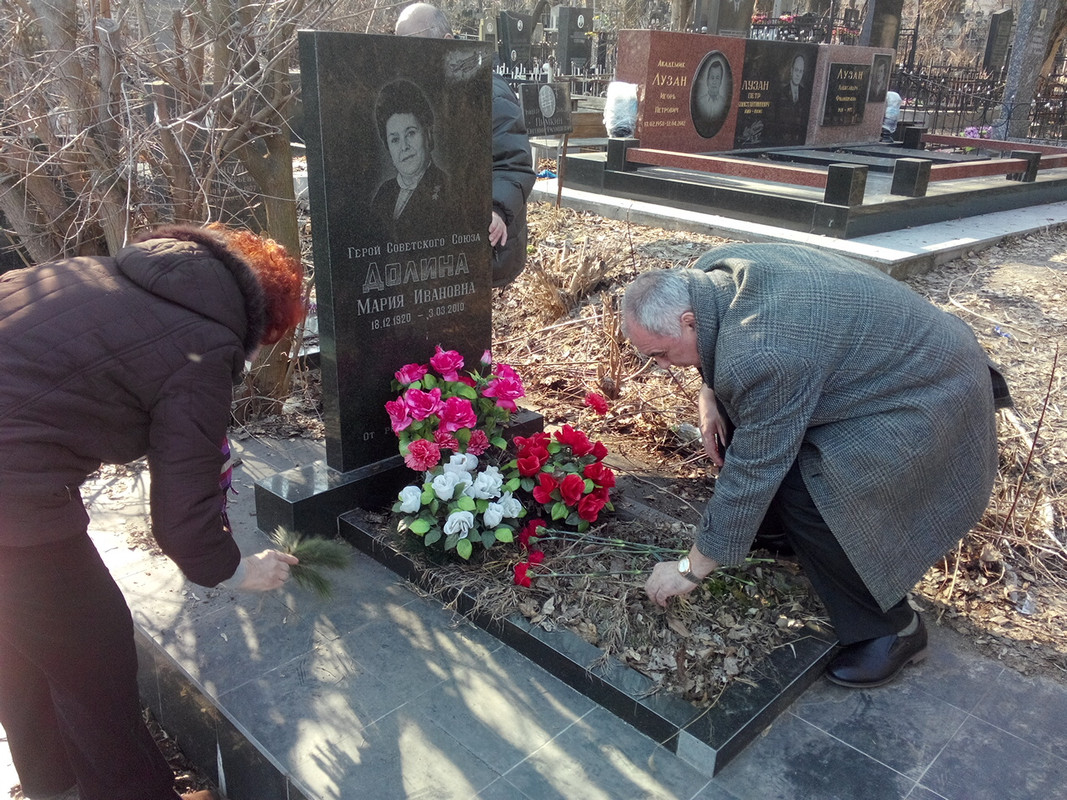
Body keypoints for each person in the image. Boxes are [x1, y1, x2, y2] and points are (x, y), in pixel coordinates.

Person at [0, 223, 305, 800]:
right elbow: (183, 519)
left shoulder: (102, 276)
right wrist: (238, 569)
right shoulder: (203, 344)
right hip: (12, 497)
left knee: (20, 639)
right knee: (96, 659)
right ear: (260, 323)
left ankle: (54, 785)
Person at [623, 243, 1008, 689]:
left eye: (661, 354)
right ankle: (778, 533)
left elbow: (755, 469)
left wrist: (690, 569)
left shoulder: (762, 352)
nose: (661, 366)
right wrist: (709, 394)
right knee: (742, 422)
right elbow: (727, 365)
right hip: (883, 365)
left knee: (816, 488)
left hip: (927, 392)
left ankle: (892, 629)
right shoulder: (711, 275)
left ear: (689, 320)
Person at [395, 2, 535, 287]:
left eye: (413, 44)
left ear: (446, 42)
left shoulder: (489, 92)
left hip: (486, 240)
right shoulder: (422, 88)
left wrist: (495, 208)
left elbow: (513, 163)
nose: (405, 55)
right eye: (398, 46)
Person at [372, 78, 449, 242]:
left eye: (411, 133)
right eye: (394, 140)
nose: (404, 147)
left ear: (427, 133)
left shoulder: (449, 191)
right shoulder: (383, 195)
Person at [691, 53, 731, 139]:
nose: (714, 82)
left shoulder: (723, 103)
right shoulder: (700, 101)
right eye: (712, 78)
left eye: (717, 78)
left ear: (721, 81)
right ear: (707, 80)